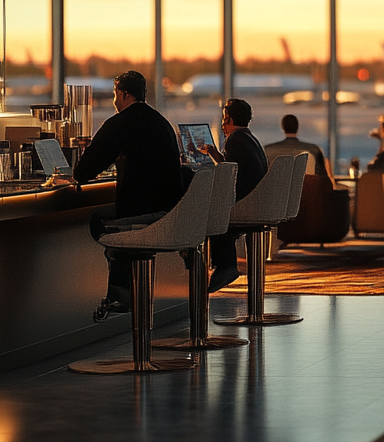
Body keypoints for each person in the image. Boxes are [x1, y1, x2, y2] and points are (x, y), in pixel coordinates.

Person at [70, 71, 186, 320]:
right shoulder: (161, 122)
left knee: (100, 222)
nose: (114, 101)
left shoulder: (120, 123)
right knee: (120, 222)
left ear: (123, 94)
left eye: (115, 95)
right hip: (171, 211)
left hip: (145, 215)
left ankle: (120, 294)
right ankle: (125, 290)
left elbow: (83, 172)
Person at [198, 98, 269, 293]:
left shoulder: (233, 140)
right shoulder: (249, 138)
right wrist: (212, 152)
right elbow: (231, 166)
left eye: (223, 119)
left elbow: (227, 177)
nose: (222, 124)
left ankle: (225, 266)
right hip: (259, 202)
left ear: (228, 119)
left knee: (213, 215)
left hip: (246, 205)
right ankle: (224, 265)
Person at [264, 114, 335, 187]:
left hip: (277, 192)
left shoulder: (268, 150)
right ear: (297, 127)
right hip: (307, 193)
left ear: (283, 127)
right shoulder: (313, 150)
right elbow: (323, 178)